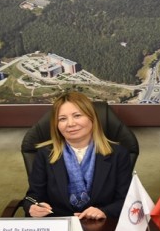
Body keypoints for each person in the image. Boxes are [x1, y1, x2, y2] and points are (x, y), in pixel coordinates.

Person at [23, 91, 132, 219]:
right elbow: (32, 197)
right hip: (60, 224)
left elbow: (126, 200)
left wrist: (104, 211)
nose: (70, 124)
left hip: (101, 225)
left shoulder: (118, 154)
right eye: (62, 119)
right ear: (56, 125)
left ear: (92, 118)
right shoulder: (45, 154)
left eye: (77, 116)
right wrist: (33, 207)